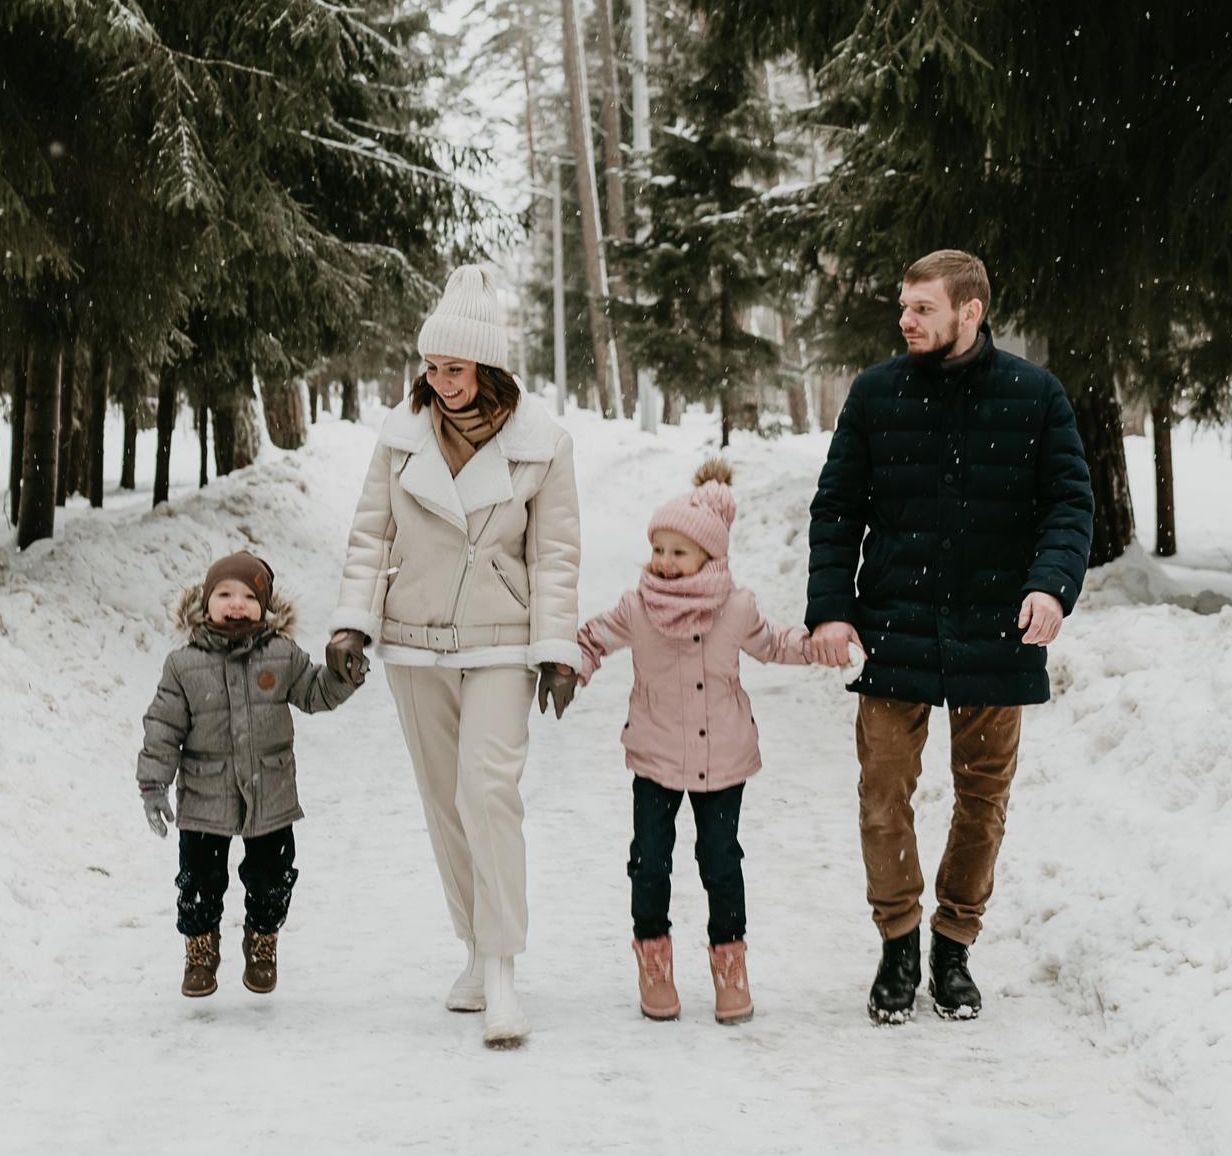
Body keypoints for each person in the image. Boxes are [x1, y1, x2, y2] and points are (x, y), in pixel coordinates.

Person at [806, 249, 1095, 1023]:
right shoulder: (876, 394)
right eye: (904, 305)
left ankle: (954, 945)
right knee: (882, 792)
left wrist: (1051, 584)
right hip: (896, 619)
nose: (906, 319)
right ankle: (898, 942)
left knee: (982, 802)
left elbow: (1069, 504)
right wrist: (833, 607)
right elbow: (837, 508)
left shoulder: (1034, 396)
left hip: (997, 628)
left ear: (971, 312)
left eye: (923, 308)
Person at [326, 265, 582, 1048]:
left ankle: (503, 972)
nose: (443, 384)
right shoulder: (400, 439)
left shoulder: (543, 443)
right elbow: (372, 535)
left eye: (457, 369)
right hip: (416, 641)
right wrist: (350, 626)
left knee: (488, 792)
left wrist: (557, 648)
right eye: (433, 368)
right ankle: (474, 950)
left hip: (503, 641)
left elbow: (558, 552)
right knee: (445, 802)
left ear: (490, 369)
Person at [574, 462, 830, 1026]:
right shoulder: (637, 606)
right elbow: (593, 637)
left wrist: (815, 645)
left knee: (720, 862)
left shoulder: (735, 608)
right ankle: (653, 960)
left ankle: (729, 965)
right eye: (658, 549)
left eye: (678, 552)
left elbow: (772, 644)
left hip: (723, 760)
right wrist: (571, 666)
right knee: (649, 862)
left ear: (709, 558)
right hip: (656, 755)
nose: (664, 562)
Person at [136, 550, 362, 998]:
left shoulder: (281, 655)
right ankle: (200, 949)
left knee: (272, 878)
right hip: (205, 795)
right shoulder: (183, 665)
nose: (236, 604)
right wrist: (153, 783)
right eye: (224, 594)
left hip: (270, 793)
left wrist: (345, 674)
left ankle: (262, 940)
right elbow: (163, 726)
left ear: (264, 606)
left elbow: (315, 693)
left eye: (247, 596)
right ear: (205, 603)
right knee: (198, 882)